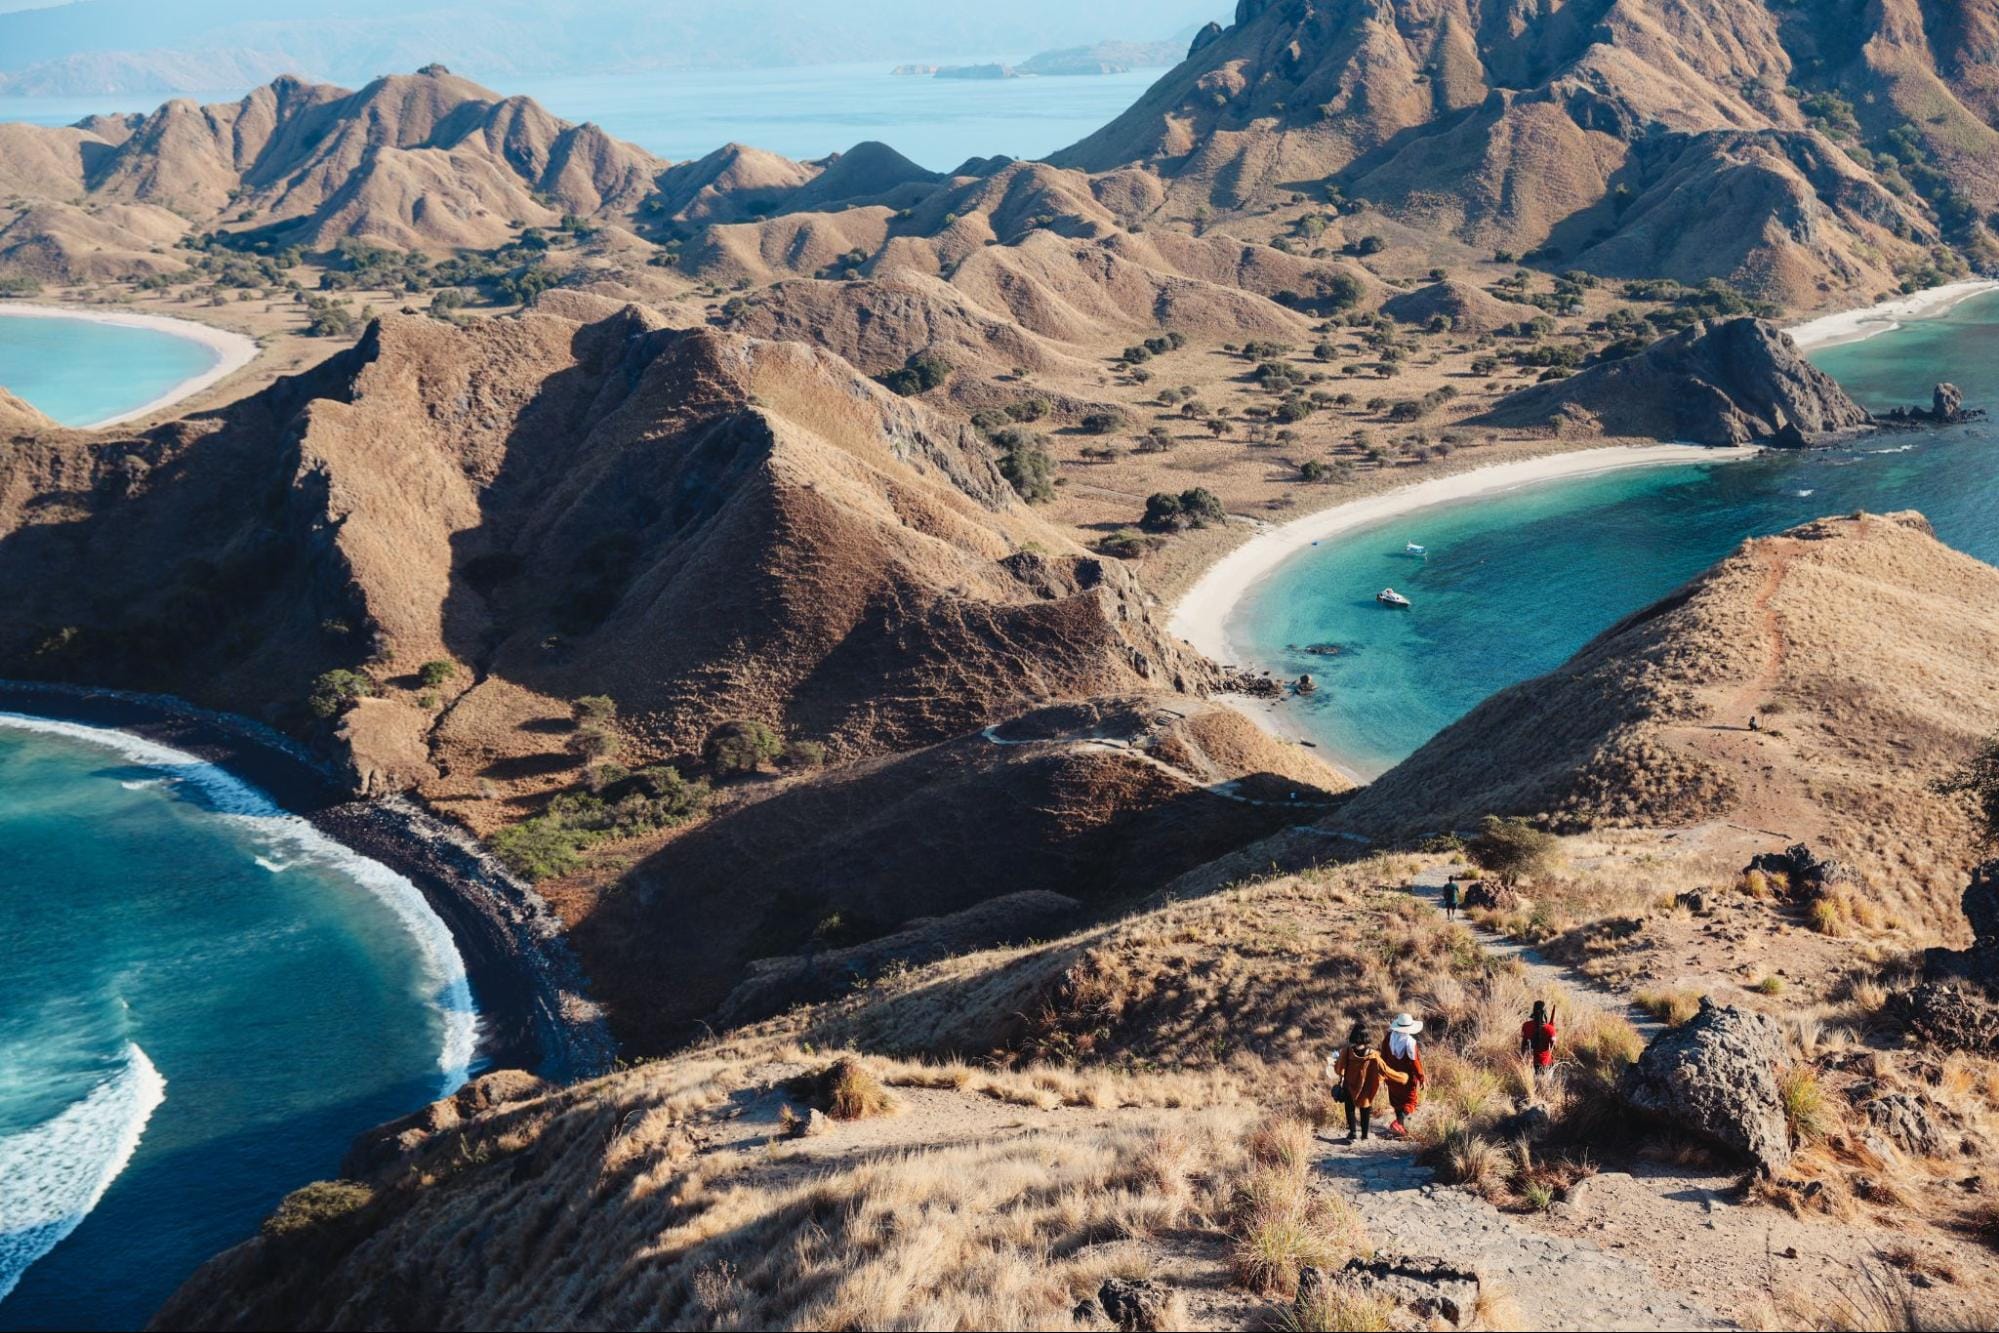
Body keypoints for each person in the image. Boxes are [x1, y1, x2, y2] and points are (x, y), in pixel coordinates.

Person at [1328, 1020, 1405, 1143]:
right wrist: (1402, 1077)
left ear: (1353, 1036)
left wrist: (1335, 1064)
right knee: (1365, 1110)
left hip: (1349, 1086)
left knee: (1350, 1109)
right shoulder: (1374, 1054)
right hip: (1366, 1088)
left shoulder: (1347, 1051)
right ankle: (1364, 1135)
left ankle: (1352, 1134)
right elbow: (1385, 1069)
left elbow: (1339, 1069)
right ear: (1366, 1036)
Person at [1380, 1013, 1426, 1138]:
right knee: (1410, 1102)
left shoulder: (1389, 1037)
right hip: (1406, 1080)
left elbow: (1382, 1056)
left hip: (1391, 1076)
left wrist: (1383, 1073)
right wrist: (1421, 1078)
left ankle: (1402, 1128)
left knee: (1396, 1101)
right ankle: (1397, 1124)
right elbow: (1415, 1063)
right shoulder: (1410, 1043)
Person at [1520, 1000, 1557, 1078]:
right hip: (1547, 1065)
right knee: (1546, 1087)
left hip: (1531, 1065)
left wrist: (1524, 1060)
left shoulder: (1526, 1026)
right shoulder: (1550, 1029)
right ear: (1545, 1013)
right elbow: (1554, 1047)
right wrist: (1552, 1031)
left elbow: (1524, 1044)